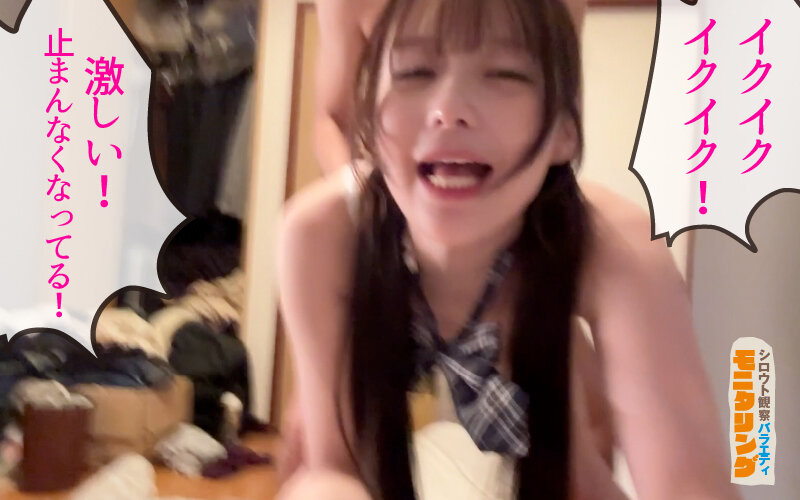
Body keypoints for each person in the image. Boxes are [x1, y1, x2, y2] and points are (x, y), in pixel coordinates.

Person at [277, 0, 741, 499]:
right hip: (378, 242)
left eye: (504, 74)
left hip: (529, 264)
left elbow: (690, 486)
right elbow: (334, 113)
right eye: (414, 71)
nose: (448, 109)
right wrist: (378, 226)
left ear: (567, 131)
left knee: (575, 457)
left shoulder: (618, 253)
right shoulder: (318, 235)